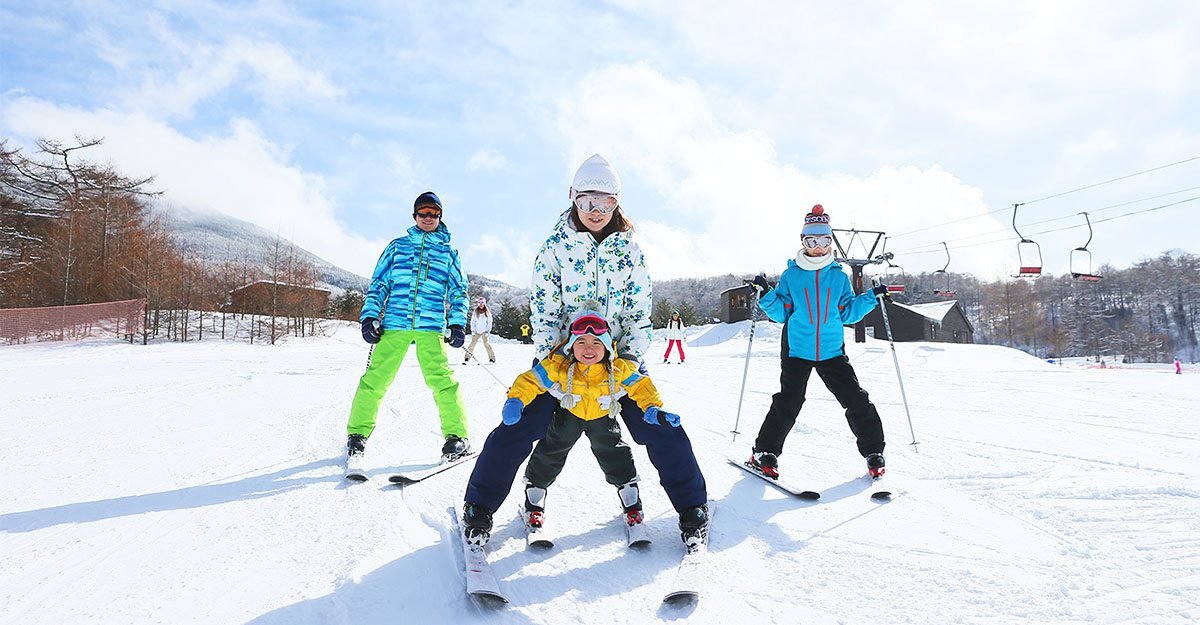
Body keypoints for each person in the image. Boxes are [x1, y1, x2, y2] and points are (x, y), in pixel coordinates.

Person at [461, 307, 709, 548]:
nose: (588, 348)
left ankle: (642, 499)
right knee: (548, 448)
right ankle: (522, 498)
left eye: (596, 343)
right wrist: (516, 399)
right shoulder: (560, 365)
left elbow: (640, 385)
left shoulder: (618, 368)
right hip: (568, 408)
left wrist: (653, 408)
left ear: (606, 346)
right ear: (572, 346)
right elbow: (531, 379)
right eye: (581, 342)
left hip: (604, 409)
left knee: (615, 449)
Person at [519, 154, 664, 530]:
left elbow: (638, 311)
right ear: (572, 197)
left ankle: (657, 500)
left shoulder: (628, 250)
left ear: (617, 203)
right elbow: (545, 312)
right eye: (587, 202)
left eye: (606, 203)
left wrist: (629, 360)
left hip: (617, 363)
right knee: (549, 441)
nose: (595, 211)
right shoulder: (554, 248)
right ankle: (529, 494)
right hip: (565, 365)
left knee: (616, 442)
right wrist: (550, 365)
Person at [745, 204, 889, 480]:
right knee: (789, 400)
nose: (818, 247)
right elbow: (781, 313)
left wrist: (872, 297)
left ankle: (873, 451)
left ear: (830, 242)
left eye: (824, 241)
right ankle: (765, 452)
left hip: (832, 350)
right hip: (797, 348)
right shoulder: (792, 275)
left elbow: (847, 312)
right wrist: (766, 294)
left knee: (855, 399)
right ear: (803, 242)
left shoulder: (838, 276)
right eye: (812, 241)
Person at [346, 191, 471, 469]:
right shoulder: (397, 247)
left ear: (440, 216)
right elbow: (379, 283)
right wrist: (369, 316)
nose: (428, 217)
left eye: (434, 213)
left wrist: (457, 322)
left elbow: (459, 291)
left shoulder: (449, 253)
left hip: (430, 326)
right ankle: (357, 434)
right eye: (423, 212)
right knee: (375, 379)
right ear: (414, 215)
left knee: (442, 382)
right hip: (395, 323)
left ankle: (456, 436)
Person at [464, 297, 496, 363]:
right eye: (479, 303)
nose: (481, 304)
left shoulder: (487, 312)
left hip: (485, 331)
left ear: (484, 303)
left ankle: (492, 358)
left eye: (482, 303)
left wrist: (488, 331)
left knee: (486, 344)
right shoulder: (475, 312)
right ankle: (467, 357)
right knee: (472, 344)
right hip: (476, 331)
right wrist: (473, 330)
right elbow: (472, 322)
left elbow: (489, 322)